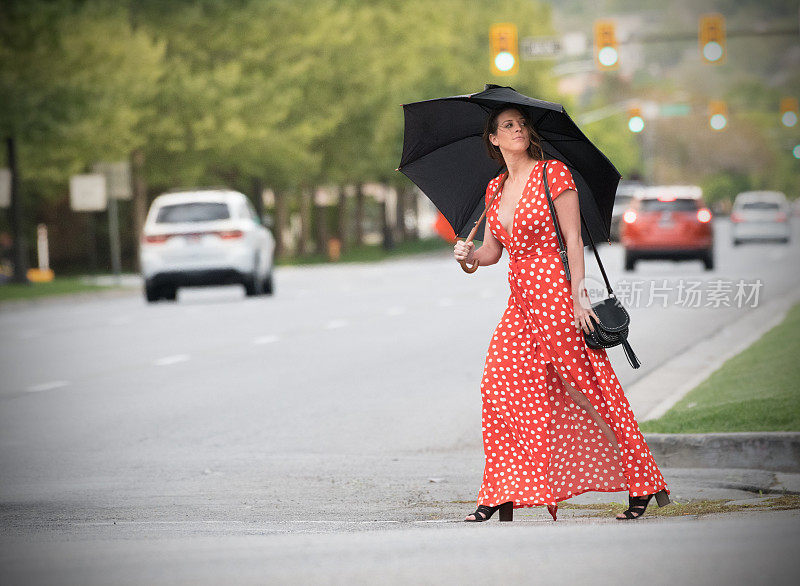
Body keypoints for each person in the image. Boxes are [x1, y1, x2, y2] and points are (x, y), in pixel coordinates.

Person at [453, 105, 671, 522]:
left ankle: (644, 481)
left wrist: (579, 296)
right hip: (520, 302)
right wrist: (468, 256)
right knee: (496, 386)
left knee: (589, 387)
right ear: (494, 140)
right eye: (507, 126)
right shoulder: (495, 189)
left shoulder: (553, 173)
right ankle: (501, 491)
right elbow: (493, 253)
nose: (517, 130)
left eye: (521, 123)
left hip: (556, 295)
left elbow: (573, 239)